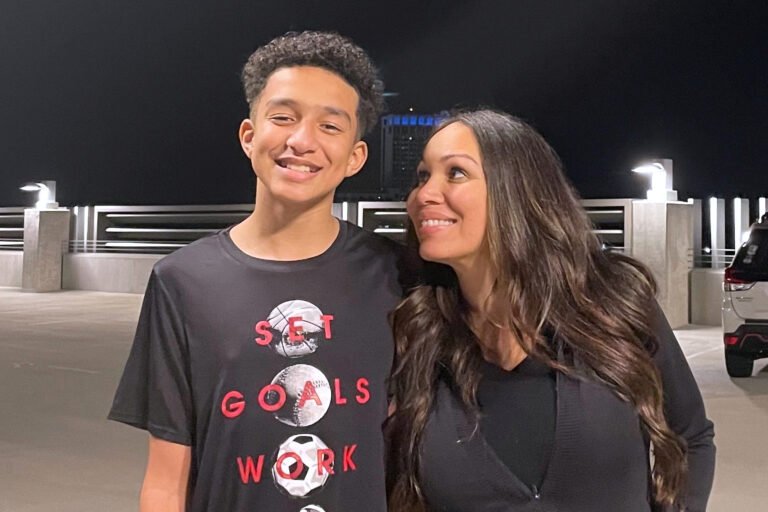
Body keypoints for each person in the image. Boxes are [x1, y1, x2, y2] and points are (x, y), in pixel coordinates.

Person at [109, 31, 407, 511]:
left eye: (330, 126)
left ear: (355, 157)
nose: (302, 141)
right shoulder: (182, 281)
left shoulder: (395, 275)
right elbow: (165, 482)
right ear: (249, 136)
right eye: (283, 118)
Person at [386, 109, 715, 512]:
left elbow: (691, 436)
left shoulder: (613, 302)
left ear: (516, 189)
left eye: (455, 173)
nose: (423, 194)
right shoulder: (415, 330)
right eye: (422, 177)